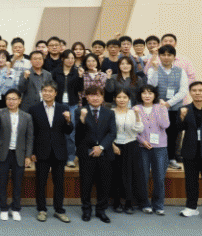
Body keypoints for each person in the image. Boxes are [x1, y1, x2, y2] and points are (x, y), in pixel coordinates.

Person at [29, 82, 73, 222]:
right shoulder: (34, 109)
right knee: (41, 182)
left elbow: (68, 131)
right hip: (41, 151)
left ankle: (59, 210)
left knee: (59, 182)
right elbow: (32, 133)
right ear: (41, 92)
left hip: (59, 151)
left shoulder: (63, 108)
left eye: (50, 91)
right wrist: (32, 152)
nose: (47, 93)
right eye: (45, 90)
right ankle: (41, 209)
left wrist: (68, 121)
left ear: (55, 93)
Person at [0, 89, 33, 221]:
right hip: (3, 152)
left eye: (14, 99)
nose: (11, 101)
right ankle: (3, 208)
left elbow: (30, 138)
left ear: (19, 101)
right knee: (2, 182)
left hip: (19, 153)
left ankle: (15, 208)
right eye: (8, 99)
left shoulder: (27, 116)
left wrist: (28, 156)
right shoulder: (0, 112)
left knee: (17, 183)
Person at [75, 86, 117, 223]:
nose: (95, 98)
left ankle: (101, 211)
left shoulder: (109, 113)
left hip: (105, 153)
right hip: (87, 153)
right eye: (92, 95)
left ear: (102, 97)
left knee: (104, 183)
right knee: (86, 183)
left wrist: (101, 147)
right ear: (86, 97)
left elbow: (112, 133)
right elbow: (78, 135)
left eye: (98, 95)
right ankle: (86, 210)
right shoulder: (79, 111)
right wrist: (82, 119)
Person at [176, 81, 202, 222]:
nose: (197, 93)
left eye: (200, 90)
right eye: (194, 90)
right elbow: (178, 129)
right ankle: (191, 207)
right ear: (190, 93)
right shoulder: (184, 109)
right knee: (191, 181)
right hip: (190, 151)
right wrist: (181, 117)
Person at [146, 44, 188, 169]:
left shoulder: (181, 71)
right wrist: (154, 70)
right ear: (159, 56)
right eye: (163, 55)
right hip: (156, 108)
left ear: (174, 57)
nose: (166, 57)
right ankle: (155, 159)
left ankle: (171, 159)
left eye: (169, 55)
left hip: (174, 108)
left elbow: (183, 91)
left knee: (173, 134)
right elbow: (151, 86)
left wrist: (169, 103)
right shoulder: (153, 69)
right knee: (155, 133)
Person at [134, 84, 170, 215]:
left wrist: (160, 109)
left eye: (150, 93)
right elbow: (132, 129)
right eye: (144, 93)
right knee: (143, 176)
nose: (147, 95)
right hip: (142, 147)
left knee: (159, 177)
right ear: (140, 95)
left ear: (155, 95)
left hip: (160, 147)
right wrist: (142, 141)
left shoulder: (161, 108)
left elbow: (165, 125)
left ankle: (158, 205)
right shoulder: (135, 109)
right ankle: (144, 203)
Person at [109, 89, 146, 214]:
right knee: (116, 175)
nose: (122, 100)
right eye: (119, 97)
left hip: (131, 145)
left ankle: (129, 202)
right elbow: (106, 131)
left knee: (130, 175)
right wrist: (112, 145)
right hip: (115, 146)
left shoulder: (133, 112)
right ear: (115, 99)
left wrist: (137, 115)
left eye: (125, 97)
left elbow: (139, 129)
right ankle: (117, 202)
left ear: (129, 99)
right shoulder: (110, 112)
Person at [52, 50, 83, 167]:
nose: (70, 60)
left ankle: (70, 158)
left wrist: (80, 77)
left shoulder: (76, 72)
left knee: (71, 132)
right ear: (62, 59)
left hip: (72, 104)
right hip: (58, 104)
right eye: (68, 58)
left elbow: (80, 89)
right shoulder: (56, 72)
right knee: (57, 130)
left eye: (72, 58)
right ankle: (57, 157)